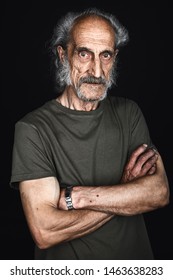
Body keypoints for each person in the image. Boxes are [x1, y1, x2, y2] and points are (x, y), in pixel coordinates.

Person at [10, 7, 169, 260]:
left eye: (105, 55)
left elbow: (159, 192)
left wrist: (78, 197)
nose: (96, 71)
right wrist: (125, 190)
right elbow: (44, 231)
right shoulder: (33, 129)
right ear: (63, 56)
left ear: (114, 58)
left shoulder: (129, 114)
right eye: (84, 54)